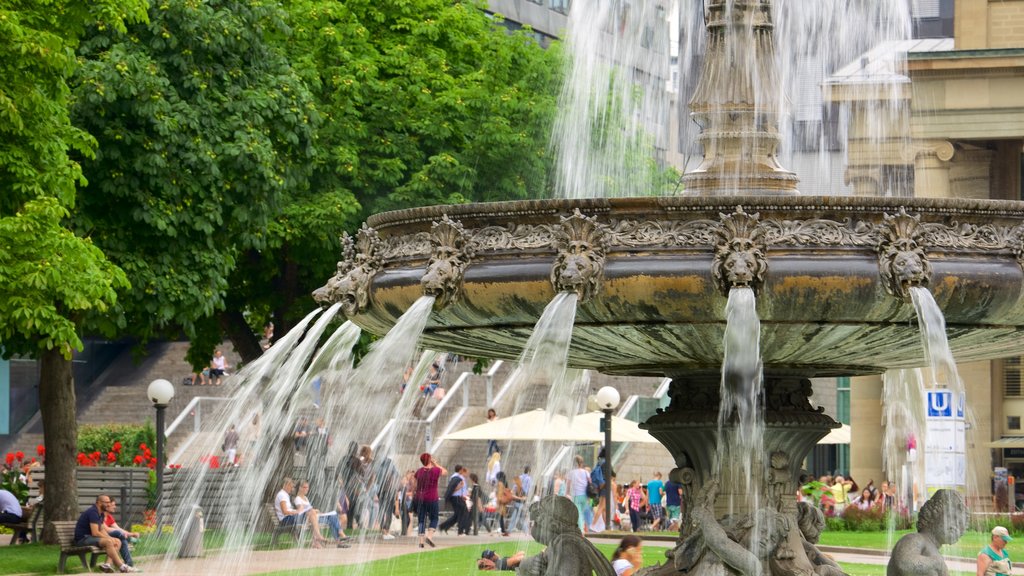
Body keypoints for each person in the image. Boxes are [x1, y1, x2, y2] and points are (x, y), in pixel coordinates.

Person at [514, 495, 616, 576]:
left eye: (536, 523)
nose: (533, 527)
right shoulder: (565, 543)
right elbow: (537, 562)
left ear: (552, 525)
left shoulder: (566, 546)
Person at [888, 489, 969, 576]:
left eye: (960, 525)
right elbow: (905, 564)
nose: (955, 527)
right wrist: (937, 564)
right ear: (934, 512)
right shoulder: (914, 539)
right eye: (952, 517)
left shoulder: (935, 552)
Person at [74, 494, 132, 573]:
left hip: (90, 538)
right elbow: (95, 533)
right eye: (107, 502)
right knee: (108, 542)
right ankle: (122, 566)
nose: (109, 504)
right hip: (82, 539)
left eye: (109, 502)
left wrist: (111, 538)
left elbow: (101, 529)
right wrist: (109, 539)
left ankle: (106, 565)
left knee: (117, 541)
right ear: (99, 503)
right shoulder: (93, 512)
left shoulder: (100, 513)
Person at [274, 477, 330, 548]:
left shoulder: (284, 495)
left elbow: (288, 510)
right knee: (311, 513)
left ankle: (316, 541)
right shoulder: (282, 495)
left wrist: (297, 511)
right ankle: (317, 538)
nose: (292, 488)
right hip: (286, 520)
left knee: (311, 514)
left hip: (290, 518)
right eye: (291, 486)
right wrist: (297, 512)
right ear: (286, 485)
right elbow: (285, 512)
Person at [413, 452, 447, 548]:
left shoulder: (419, 471)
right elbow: (445, 471)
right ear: (430, 460)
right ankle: (429, 536)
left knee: (421, 520)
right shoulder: (435, 470)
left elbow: (415, 485)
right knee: (434, 518)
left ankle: (421, 542)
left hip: (420, 498)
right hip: (432, 498)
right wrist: (435, 463)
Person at [103, 499, 140, 567]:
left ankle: (129, 564)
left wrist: (130, 533)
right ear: (107, 506)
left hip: (110, 537)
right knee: (119, 534)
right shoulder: (100, 516)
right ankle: (129, 564)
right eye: (113, 505)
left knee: (121, 538)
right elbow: (107, 530)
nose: (115, 507)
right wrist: (129, 535)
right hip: (101, 536)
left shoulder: (109, 517)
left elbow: (118, 528)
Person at [439, 464, 469, 535]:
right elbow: (452, 489)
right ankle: (460, 531)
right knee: (461, 514)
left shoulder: (456, 477)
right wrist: (460, 487)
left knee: (458, 514)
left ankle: (443, 526)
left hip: (458, 497)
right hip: (456, 497)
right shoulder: (456, 478)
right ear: (460, 470)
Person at [567, 455, 591, 533]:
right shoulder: (586, 472)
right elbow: (590, 483)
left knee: (579, 513)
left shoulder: (571, 473)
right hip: (585, 495)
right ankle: (583, 528)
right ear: (581, 463)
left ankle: (581, 530)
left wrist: (567, 493)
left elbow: (568, 484)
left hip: (576, 495)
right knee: (582, 512)